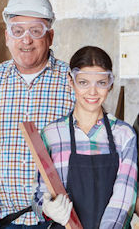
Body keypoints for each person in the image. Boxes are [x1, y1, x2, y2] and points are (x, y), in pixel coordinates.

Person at [0, 0, 75, 227]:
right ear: (6, 36)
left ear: (50, 37)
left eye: (36, 31)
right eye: (18, 31)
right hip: (5, 221)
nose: (26, 40)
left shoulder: (73, 82)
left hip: (60, 221)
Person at [32, 46, 137, 228]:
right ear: (71, 82)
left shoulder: (124, 135)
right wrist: (47, 208)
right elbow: (39, 194)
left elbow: (124, 197)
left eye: (101, 83)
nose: (92, 92)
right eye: (83, 82)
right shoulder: (51, 134)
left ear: (110, 84)